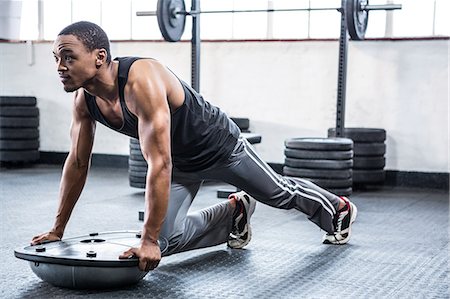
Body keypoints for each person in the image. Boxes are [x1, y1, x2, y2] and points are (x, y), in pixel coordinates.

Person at [31, 21, 357, 272]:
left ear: (99, 57)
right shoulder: (84, 102)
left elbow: (158, 164)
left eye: (68, 57)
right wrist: (57, 229)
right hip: (180, 162)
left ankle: (338, 209)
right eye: (56, 58)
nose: (60, 66)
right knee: (165, 241)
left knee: (278, 195)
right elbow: (76, 164)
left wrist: (146, 239)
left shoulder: (140, 80)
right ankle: (232, 215)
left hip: (220, 147)